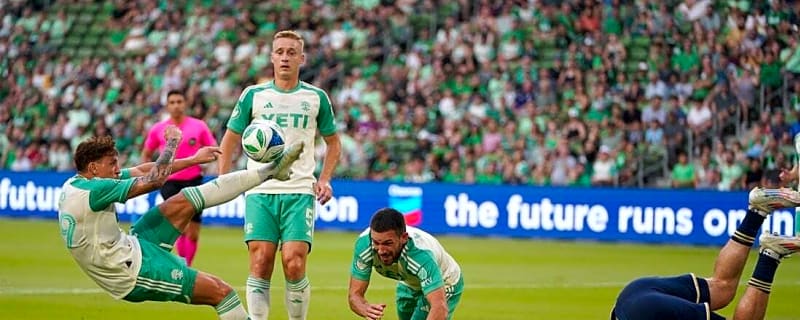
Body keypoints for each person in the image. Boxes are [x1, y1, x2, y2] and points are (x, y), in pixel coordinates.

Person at [57, 126, 303, 320]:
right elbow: (154, 181)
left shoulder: (78, 184)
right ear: (93, 167)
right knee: (222, 293)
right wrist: (173, 142)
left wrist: (193, 160)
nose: (117, 169)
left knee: (184, 199)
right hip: (129, 271)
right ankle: (271, 171)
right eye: (112, 164)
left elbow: (145, 170)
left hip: (132, 245)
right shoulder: (97, 190)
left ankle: (271, 171)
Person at [217, 30, 342, 320]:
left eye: (291, 52)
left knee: (294, 263)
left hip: (299, 190)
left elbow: (333, 142)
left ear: (302, 58)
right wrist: (224, 181)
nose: (285, 57)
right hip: (260, 190)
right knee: (260, 261)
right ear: (272, 57)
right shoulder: (253, 95)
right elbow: (230, 139)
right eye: (280, 51)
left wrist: (324, 179)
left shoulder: (316, 98)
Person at [611, 187, 800, 320]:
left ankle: (770, 255)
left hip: (642, 313)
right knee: (721, 287)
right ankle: (757, 210)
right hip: (632, 295)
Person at [142, 89, 218, 266]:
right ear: (167, 106)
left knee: (194, 232)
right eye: (172, 102)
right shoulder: (159, 129)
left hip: (194, 180)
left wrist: (219, 171)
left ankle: (186, 265)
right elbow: (146, 153)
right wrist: (149, 176)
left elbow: (214, 148)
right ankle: (185, 267)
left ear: (185, 104)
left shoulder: (199, 126)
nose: (176, 105)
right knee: (181, 226)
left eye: (179, 102)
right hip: (169, 182)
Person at [348, 208, 464, 320]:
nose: (381, 250)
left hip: (445, 280)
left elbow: (440, 307)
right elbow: (354, 296)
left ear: (403, 238)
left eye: (387, 243)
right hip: (408, 282)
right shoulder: (364, 246)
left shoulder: (421, 255)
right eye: (376, 243)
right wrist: (365, 308)